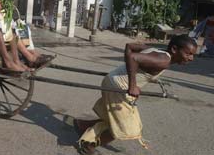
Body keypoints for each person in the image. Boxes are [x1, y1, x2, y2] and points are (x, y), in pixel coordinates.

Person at [65, 34, 197, 155]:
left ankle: (82, 125)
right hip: (118, 87)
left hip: (112, 81)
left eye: (192, 55)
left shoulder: (160, 52)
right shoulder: (163, 60)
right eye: (188, 53)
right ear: (174, 49)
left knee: (115, 118)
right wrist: (132, 85)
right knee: (126, 127)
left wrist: (129, 73)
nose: (191, 58)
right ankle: (89, 145)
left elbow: (130, 47)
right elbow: (133, 57)